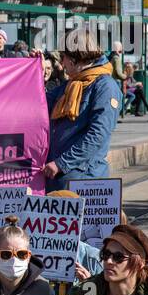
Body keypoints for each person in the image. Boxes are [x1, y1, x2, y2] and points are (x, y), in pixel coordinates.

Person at [44, 29, 120, 191]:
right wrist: (33, 69)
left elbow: (97, 136)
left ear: (72, 59)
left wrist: (61, 163)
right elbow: (40, 102)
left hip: (84, 179)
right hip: (60, 177)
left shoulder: (105, 86)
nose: (62, 64)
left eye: (63, 58)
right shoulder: (72, 83)